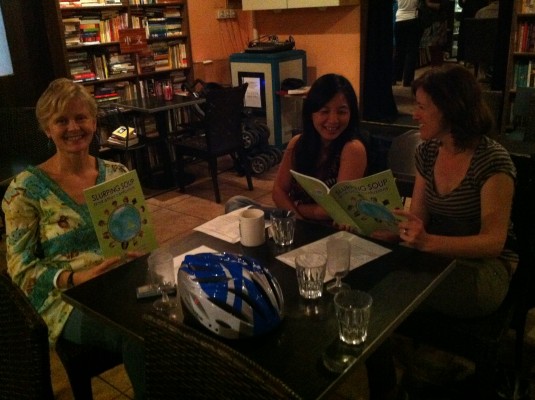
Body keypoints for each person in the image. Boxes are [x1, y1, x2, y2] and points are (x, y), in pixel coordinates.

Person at [1, 78, 146, 398]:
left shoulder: (117, 174)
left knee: (179, 321)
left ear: (94, 121)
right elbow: (20, 273)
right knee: (138, 334)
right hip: (65, 298)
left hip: (120, 285)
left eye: (81, 117)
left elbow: (138, 239)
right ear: (47, 129)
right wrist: (76, 277)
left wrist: (137, 252)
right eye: (61, 120)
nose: (73, 127)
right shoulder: (24, 190)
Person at [379, 64, 516, 318]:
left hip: (482, 270)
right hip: (437, 257)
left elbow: (493, 243)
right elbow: (418, 219)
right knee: (370, 270)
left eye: (422, 107)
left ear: (452, 110)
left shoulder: (492, 161)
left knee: (390, 287)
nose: (414, 115)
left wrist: (428, 242)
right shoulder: (427, 152)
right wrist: (379, 223)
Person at [225, 73, 368, 223]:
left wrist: (295, 208)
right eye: (324, 111)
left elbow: (336, 210)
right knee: (236, 204)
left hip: (328, 229)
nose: (333, 120)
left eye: (342, 112)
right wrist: (297, 220)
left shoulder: (352, 149)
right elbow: (278, 191)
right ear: (311, 113)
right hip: (293, 218)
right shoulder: (298, 143)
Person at [392, 0, 422, 87]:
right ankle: (407, 80)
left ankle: (394, 77)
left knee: (399, 51)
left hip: (399, 19)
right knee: (411, 52)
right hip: (412, 18)